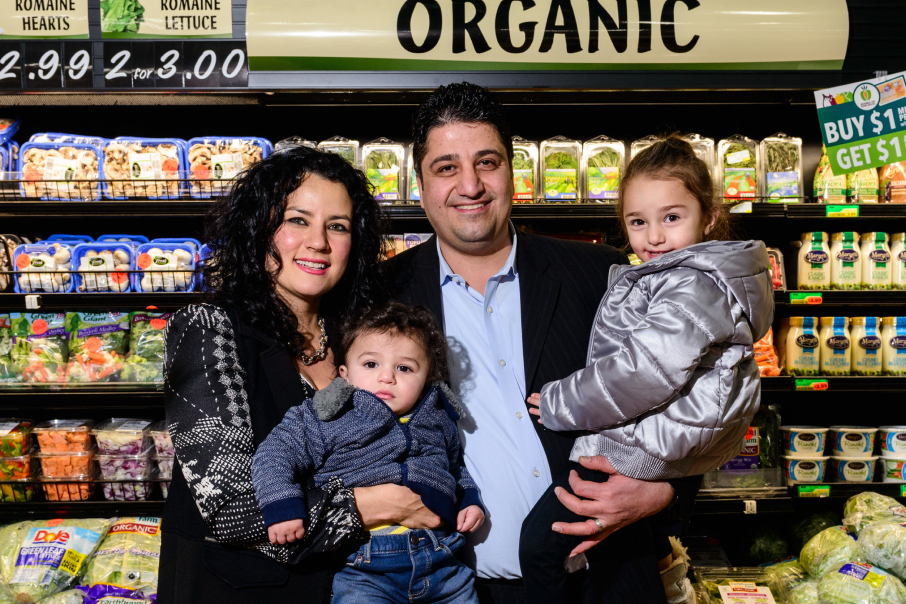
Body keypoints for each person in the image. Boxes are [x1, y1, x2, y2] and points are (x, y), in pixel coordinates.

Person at [384, 82, 702, 604]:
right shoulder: (381, 294)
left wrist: (663, 492)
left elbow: (697, 394)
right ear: (420, 184)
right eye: (447, 168)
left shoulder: (601, 276)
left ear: (514, 173)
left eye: (487, 162)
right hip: (452, 587)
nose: (470, 185)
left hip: (605, 581)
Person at [160, 147, 446, 604]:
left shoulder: (358, 341)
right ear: (259, 228)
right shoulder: (210, 327)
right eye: (297, 220)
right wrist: (375, 505)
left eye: (338, 226)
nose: (319, 242)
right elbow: (229, 507)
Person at [520, 135, 775, 604]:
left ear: (710, 217)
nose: (654, 236)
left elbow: (644, 371)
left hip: (647, 448)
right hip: (669, 438)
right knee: (597, 551)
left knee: (538, 548)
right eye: (638, 221)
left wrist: (560, 402)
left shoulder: (689, 285)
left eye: (671, 218)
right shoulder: (681, 276)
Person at [252, 302, 485, 604]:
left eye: (404, 368)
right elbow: (275, 455)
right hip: (364, 567)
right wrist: (282, 506)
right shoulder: (325, 416)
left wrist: (469, 500)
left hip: (442, 561)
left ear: (427, 378)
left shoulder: (437, 418)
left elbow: (454, 468)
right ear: (344, 375)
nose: (387, 377)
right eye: (371, 364)